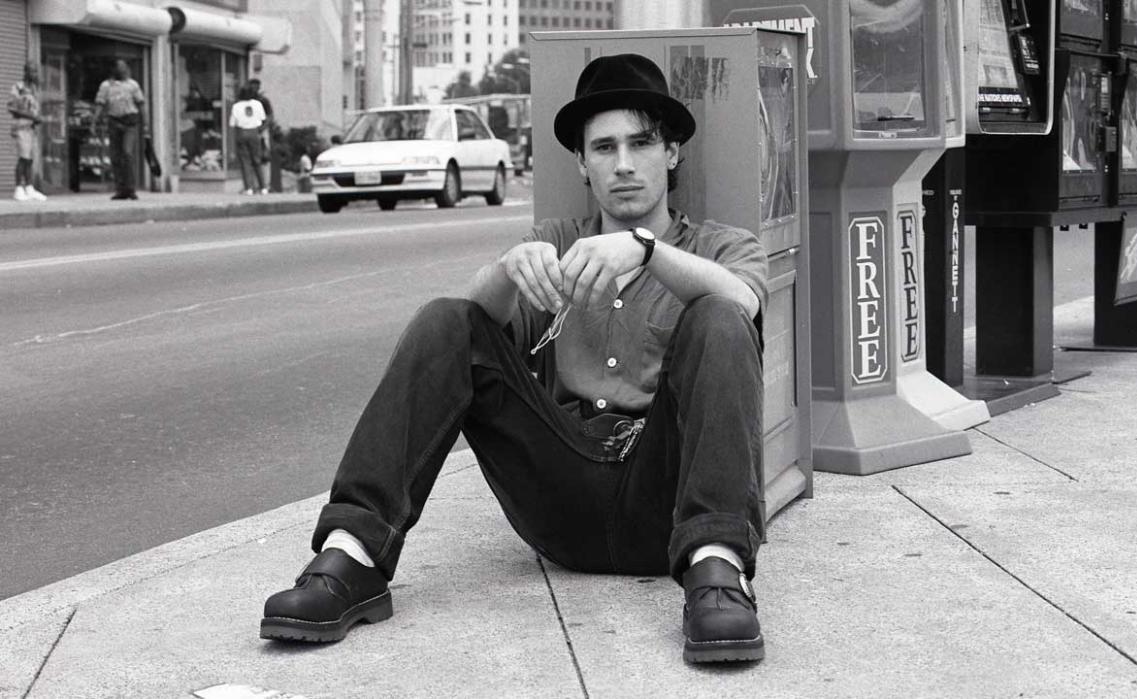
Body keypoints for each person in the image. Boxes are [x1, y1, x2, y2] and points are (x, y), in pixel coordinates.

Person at [260, 54, 770, 665]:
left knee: (718, 313)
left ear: (673, 153)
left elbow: (743, 302)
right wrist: (505, 271)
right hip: (560, 493)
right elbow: (467, 325)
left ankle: (719, 575)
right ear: (582, 163)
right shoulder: (554, 244)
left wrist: (646, 251)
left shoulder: (719, 246)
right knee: (448, 316)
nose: (625, 164)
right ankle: (353, 557)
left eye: (642, 143)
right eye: (604, 148)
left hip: (667, 501)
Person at [93, 60, 145, 200]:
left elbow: (141, 104)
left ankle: (131, 188)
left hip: (130, 122)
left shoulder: (132, 85)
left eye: (125, 68)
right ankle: (120, 189)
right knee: (115, 156)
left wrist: (145, 124)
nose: (123, 70)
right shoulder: (106, 86)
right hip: (114, 121)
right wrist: (94, 121)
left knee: (127, 153)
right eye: (120, 68)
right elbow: (100, 103)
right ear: (114, 70)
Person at [8, 61, 46, 201]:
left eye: (36, 71)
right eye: (32, 71)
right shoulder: (18, 87)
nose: (35, 74)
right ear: (25, 72)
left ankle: (29, 188)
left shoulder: (35, 89)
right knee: (23, 158)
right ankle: (18, 188)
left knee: (30, 159)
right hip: (21, 127)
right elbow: (12, 109)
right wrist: (32, 117)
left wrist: (36, 118)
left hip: (31, 129)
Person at [230, 87, 268, 195]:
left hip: (242, 132)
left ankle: (249, 188)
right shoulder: (257, 104)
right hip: (254, 132)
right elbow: (262, 120)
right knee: (257, 160)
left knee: (245, 161)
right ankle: (263, 187)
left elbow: (233, 123)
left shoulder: (236, 106)